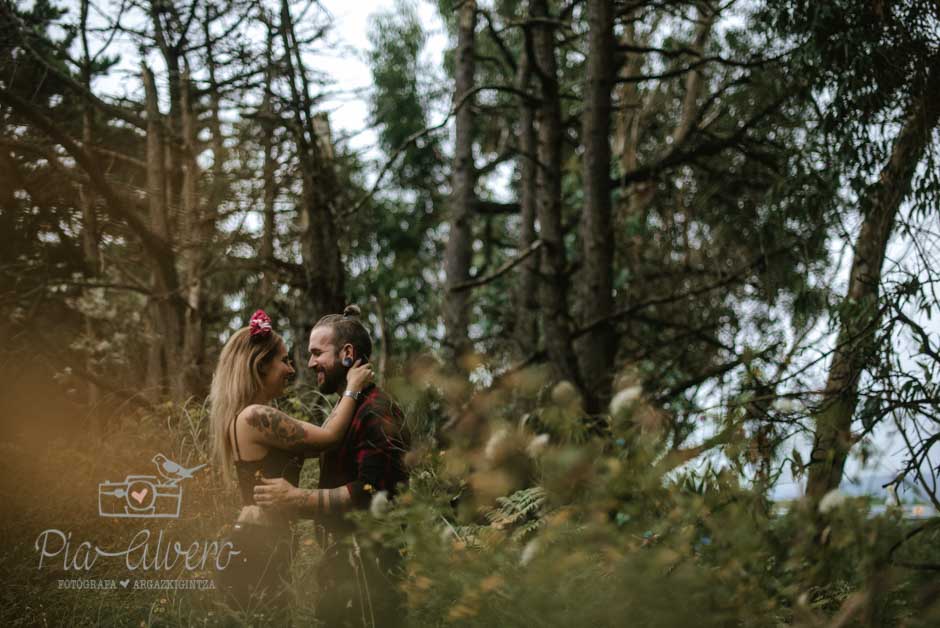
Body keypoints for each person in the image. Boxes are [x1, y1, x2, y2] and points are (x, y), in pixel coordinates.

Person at [254, 304, 410, 627]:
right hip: (342, 574)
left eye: (316, 353)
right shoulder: (348, 407)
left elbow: (371, 493)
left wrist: (296, 498)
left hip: (370, 578)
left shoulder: (377, 411)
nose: (309, 363)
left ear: (347, 353)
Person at [208, 309, 373, 612]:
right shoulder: (257, 416)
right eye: (284, 360)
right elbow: (329, 439)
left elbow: (320, 435)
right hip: (254, 550)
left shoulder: (250, 416)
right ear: (260, 366)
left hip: (263, 547)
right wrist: (353, 387)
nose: (292, 370)